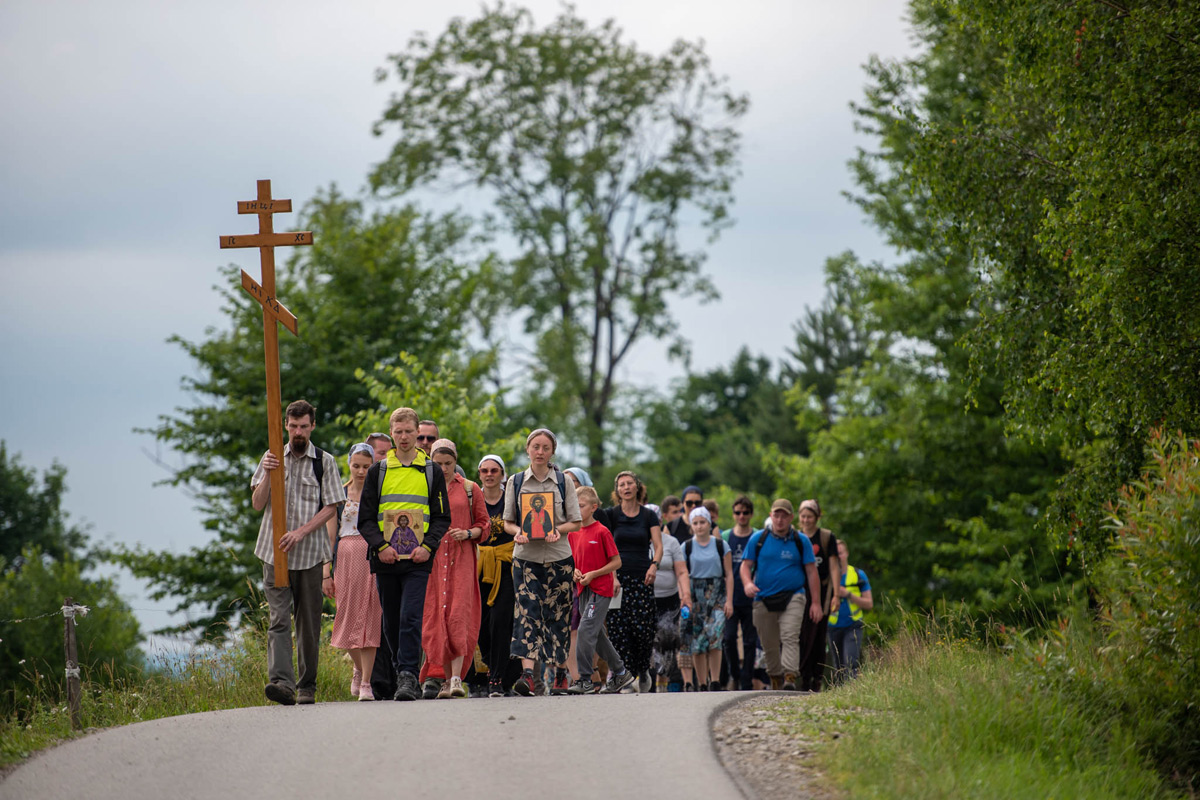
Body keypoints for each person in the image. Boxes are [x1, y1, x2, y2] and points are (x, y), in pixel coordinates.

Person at [251, 399, 346, 705]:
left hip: (309, 556)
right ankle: (281, 683)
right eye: (293, 426)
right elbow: (256, 503)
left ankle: (307, 686)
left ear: (312, 426)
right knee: (279, 619)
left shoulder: (324, 461)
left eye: (304, 426)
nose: (298, 432)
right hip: (273, 553)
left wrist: (301, 532)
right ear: (286, 426)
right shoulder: (272, 457)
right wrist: (266, 473)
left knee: (308, 622)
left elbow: (332, 506)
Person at [356, 407, 451, 701]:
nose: (404, 437)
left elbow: (441, 517)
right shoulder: (378, 471)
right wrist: (381, 548)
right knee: (392, 620)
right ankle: (401, 672)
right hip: (386, 560)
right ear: (392, 433)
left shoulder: (431, 470)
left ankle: (409, 676)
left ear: (416, 431)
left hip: (418, 561)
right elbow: (366, 520)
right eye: (398, 432)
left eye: (409, 431)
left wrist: (428, 547)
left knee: (411, 617)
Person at [504, 428, 582, 696]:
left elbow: (576, 521)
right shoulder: (515, 482)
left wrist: (558, 530)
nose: (539, 452)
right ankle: (527, 675)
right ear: (527, 449)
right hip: (525, 559)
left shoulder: (563, 482)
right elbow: (507, 522)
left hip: (559, 558)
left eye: (545, 448)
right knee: (527, 612)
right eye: (535, 446)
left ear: (552, 452)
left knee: (558, 615)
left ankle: (561, 674)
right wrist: (520, 533)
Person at [418, 439, 489, 699]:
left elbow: (485, 524)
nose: (444, 468)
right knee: (437, 618)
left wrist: (468, 532)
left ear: (456, 462)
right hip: (433, 559)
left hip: (462, 557)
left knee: (459, 614)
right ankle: (446, 680)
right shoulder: (422, 488)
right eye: (439, 463)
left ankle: (457, 678)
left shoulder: (470, 489)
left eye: (449, 463)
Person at [739, 499, 822, 691]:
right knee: (769, 642)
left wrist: (815, 603)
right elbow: (745, 566)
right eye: (776, 515)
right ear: (771, 516)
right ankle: (775, 676)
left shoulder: (801, 541)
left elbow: (811, 572)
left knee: (790, 635)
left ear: (791, 518)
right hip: (763, 597)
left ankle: (790, 676)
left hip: (793, 595)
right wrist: (748, 583)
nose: (780, 519)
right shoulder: (758, 539)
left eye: (784, 515)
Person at [595, 471, 663, 693]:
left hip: (643, 578)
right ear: (617, 490)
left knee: (644, 630)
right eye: (621, 484)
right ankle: (627, 676)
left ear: (637, 487)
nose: (626, 487)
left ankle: (643, 669)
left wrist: (654, 565)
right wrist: (612, 577)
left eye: (629, 483)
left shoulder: (648, 516)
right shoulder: (611, 515)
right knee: (618, 630)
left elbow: (658, 545)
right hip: (617, 580)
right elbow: (605, 547)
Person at [325, 442, 383, 700]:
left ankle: (367, 682)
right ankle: (358, 669)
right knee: (347, 616)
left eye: (366, 466)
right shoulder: (338, 495)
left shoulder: (379, 494)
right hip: (346, 558)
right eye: (356, 466)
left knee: (371, 616)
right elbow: (329, 536)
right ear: (349, 465)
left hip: (372, 557)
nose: (361, 471)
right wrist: (326, 570)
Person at [567, 486, 634, 694]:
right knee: (598, 636)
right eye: (575, 506)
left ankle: (584, 679)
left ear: (594, 507)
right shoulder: (572, 532)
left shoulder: (602, 531)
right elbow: (571, 561)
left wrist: (594, 573)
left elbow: (617, 562)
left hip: (601, 589)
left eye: (582, 506)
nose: (578, 510)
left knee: (585, 630)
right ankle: (621, 673)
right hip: (583, 589)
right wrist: (575, 572)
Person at [681, 506, 733, 691]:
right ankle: (702, 682)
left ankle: (716, 679)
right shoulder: (686, 547)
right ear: (691, 525)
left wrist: (729, 601)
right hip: (694, 595)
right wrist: (684, 599)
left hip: (717, 593)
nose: (699, 526)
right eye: (695, 523)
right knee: (697, 640)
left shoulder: (720, 545)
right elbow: (682, 574)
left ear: (709, 524)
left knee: (715, 635)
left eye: (703, 522)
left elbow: (729, 574)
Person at [796, 499, 841, 692]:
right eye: (803, 516)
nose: (806, 520)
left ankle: (817, 678)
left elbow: (833, 566)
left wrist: (836, 595)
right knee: (801, 636)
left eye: (810, 517)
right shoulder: (795, 537)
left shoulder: (826, 537)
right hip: (800, 591)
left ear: (817, 517)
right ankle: (803, 677)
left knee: (818, 636)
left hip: (822, 593)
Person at [723, 495, 763, 691]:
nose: (741, 516)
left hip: (752, 597)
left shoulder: (757, 536)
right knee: (728, 638)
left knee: (749, 641)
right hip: (731, 597)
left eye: (745, 513)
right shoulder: (725, 536)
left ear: (751, 514)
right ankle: (734, 674)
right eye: (738, 512)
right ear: (733, 514)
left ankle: (746, 680)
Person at [828, 539, 872, 683]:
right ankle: (840, 694)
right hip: (832, 627)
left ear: (846, 553)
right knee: (838, 665)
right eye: (835, 554)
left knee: (851, 661)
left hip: (853, 625)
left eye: (840, 553)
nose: (838, 557)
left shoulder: (858, 575)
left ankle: (852, 689)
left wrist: (848, 594)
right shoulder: (827, 577)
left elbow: (869, 603)